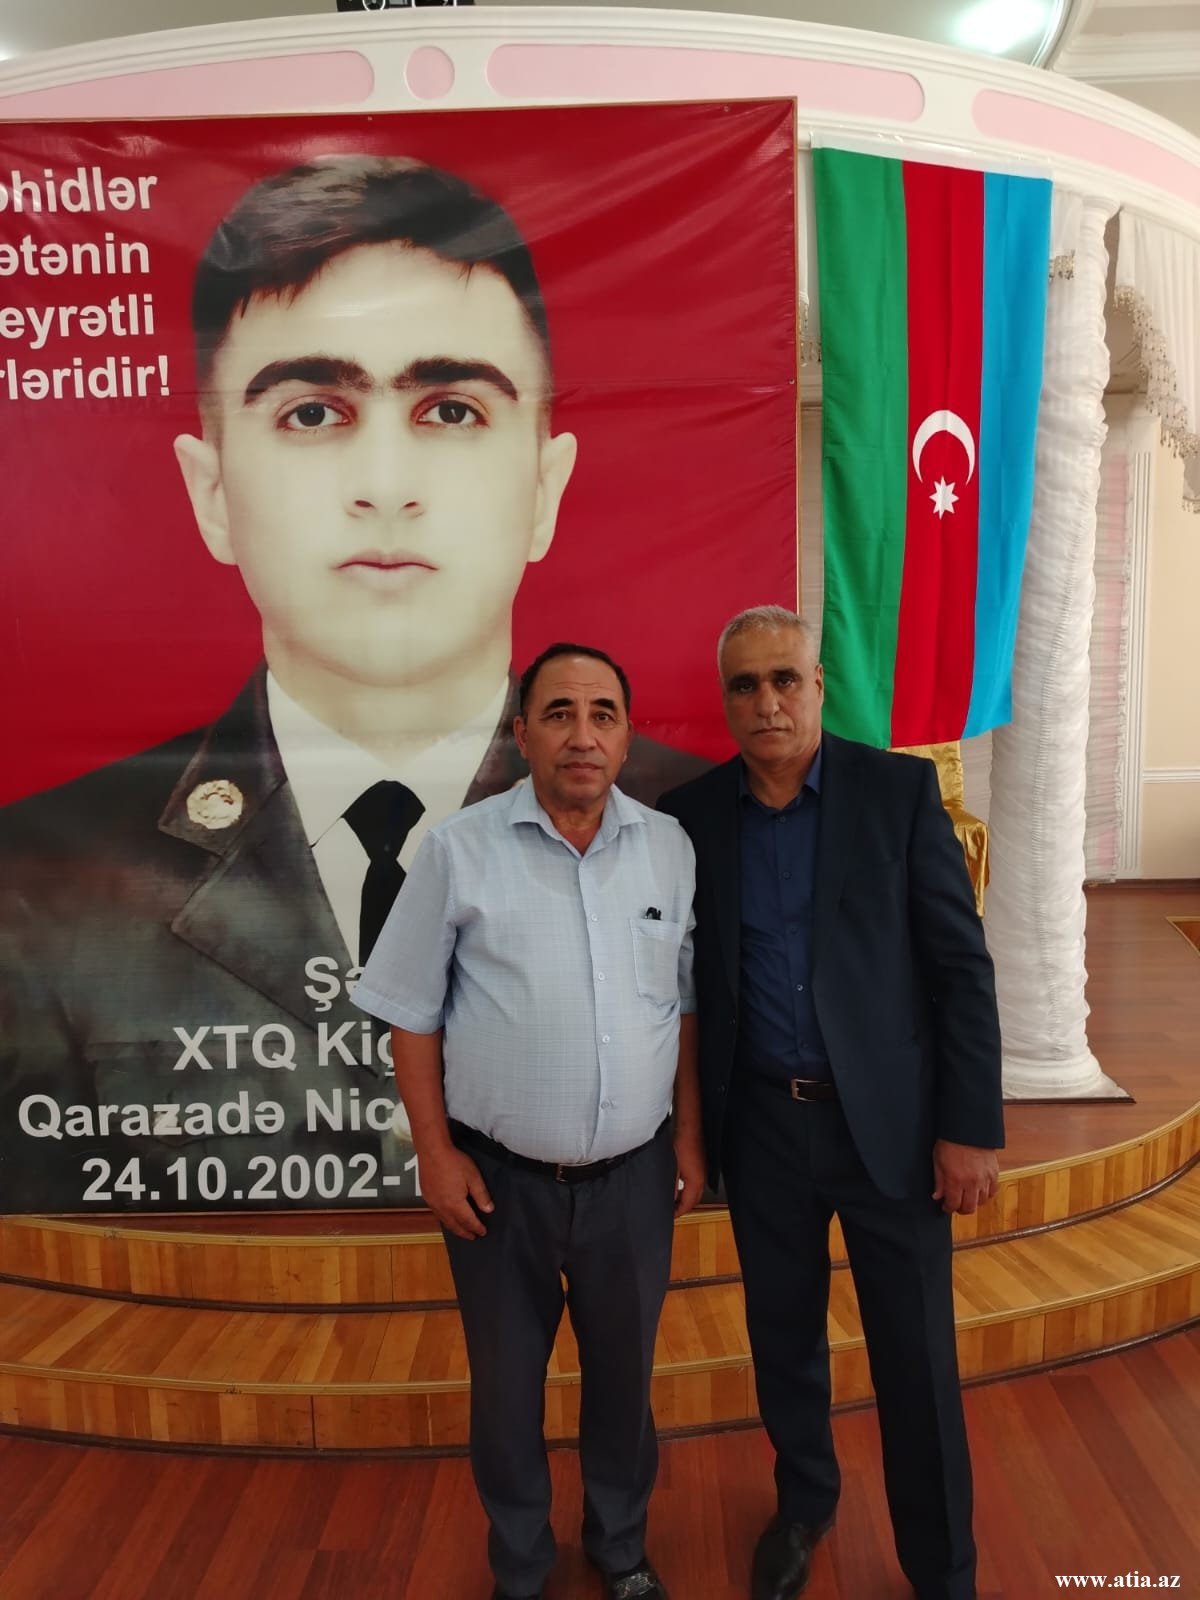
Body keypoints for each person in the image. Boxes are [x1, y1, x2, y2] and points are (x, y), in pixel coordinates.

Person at [0, 156, 706, 1215]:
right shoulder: (41, 879)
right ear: (212, 492)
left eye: (452, 410)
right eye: (312, 414)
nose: (384, 487)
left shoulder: (683, 822)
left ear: (544, 488)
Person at [658, 606, 1004, 1600]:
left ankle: (942, 1567)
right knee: (784, 1338)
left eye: (784, 679)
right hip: (763, 1124)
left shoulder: (897, 793)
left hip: (890, 1126)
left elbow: (960, 968)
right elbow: (687, 984)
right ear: (727, 699)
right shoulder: (690, 817)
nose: (766, 701)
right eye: (745, 685)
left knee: (916, 1356)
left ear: (817, 685)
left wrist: (968, 1126)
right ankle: (805, 1501)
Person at [353, 642, 704, 1600]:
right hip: (498, 1186)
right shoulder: (458, 850)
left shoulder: (669, 850)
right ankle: (520, 1567)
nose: (582, 735)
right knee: (508, 1395)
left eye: (602, 714)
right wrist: (433, 1154)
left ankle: (620, 1549)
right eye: (559, 713)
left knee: (624, 1386)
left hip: (633, 1182)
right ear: (522, 734)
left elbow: (684, 1007)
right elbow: (411, 1012)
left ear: (626, 737)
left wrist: (687, 1138)